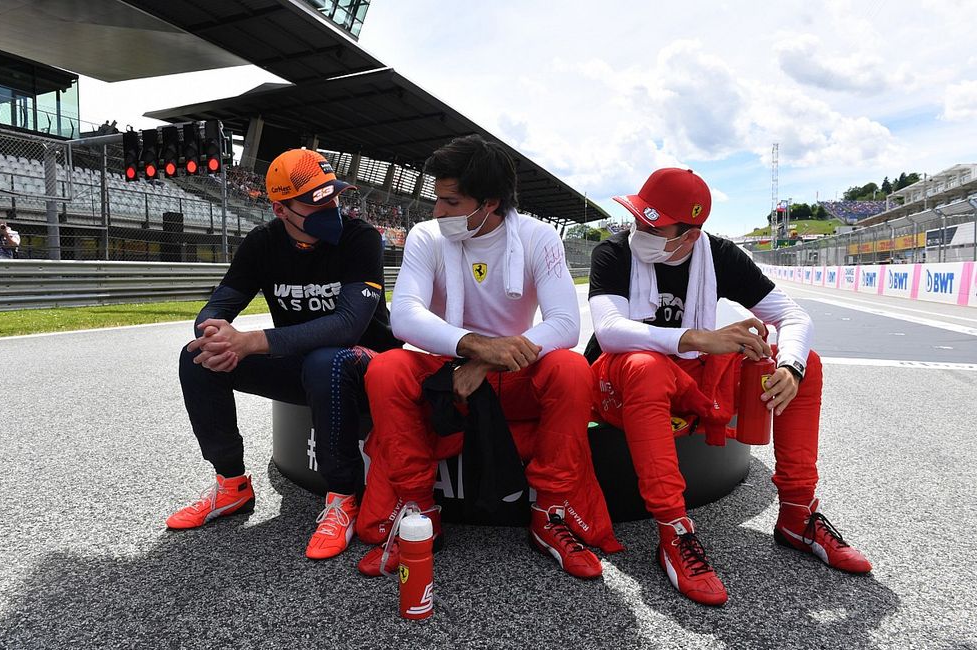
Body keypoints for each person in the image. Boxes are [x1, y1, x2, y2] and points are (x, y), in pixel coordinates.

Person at [587, 168, 871, 606]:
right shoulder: (614, 251)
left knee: (806, 362)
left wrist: (790, 369)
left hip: (686, 374)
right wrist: (702, 337)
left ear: (691, 233)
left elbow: (795, 318)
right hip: (618, 382)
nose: (639, 230)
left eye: (653, 225)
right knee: (646, 365)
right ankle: (673, 531)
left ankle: (798, 513)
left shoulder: (720, 255)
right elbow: (609, 332)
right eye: (638, 219)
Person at [355, 134, 622, 580]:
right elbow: (403, 318)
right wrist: (476, 346)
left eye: (450, 201)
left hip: (508, 375)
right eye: (436, 199)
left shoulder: (539, 238)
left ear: (491, 203)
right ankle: (419, 514)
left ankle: (550, 513)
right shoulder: (426, 236)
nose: (437, 211)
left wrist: (489, 360)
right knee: (386, 367)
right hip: (451, 374)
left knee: (572, 368)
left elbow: (565, 325)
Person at [167, 149, 401, 560]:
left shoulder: (361, 237)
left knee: (326, 359)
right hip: (304, 365)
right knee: (196, 357)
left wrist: (253, 341)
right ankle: (231, 484)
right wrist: (213, 332)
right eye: (316, 201)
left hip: (366, 365)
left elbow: (348, 324)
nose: (331, 207)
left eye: (334, 196)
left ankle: (342, 498)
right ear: (280, 209)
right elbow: (220, 303)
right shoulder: (263, 244)